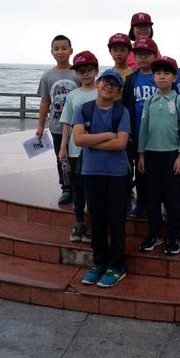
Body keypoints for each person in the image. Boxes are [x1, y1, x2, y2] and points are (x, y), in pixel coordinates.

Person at [73, 69, 131, 288]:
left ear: (118, 91)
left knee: (116, 221)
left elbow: (121, 144)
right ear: (97, 83)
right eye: (106, 82)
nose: (109, 86)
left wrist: (91, 140)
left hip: (116, 174)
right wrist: (107, 135)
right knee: (96, 221)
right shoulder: (83, 109)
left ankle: (117, 266)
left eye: (114, 85)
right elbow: (78, 140)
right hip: (91, 172)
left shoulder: (121, 112)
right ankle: (99, 262)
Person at [137, 56, 180, 255]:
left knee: (173, 199)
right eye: (158, 73)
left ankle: (174, 237)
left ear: (174, 78)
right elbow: (144, 128)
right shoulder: (150, 100)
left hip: (172, 156)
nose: (162, 77)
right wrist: (141, 153)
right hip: (151, 155)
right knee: (152, 198)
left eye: (166, 73)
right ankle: (154, 234)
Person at [59, 51, 99, 243]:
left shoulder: (102, 91)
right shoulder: (72, 95)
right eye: (81, 70)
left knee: (94, 188)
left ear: (96, 71)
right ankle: (79, 221)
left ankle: (93, 223)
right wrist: (63, 147)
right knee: (78, 188)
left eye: (89, 69)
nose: (85, 74)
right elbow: (66, 123)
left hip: (97, 150)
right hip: (76, 150)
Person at [36, 34, 78, 206]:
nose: (60, 51)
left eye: (64, 48)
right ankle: (66, 188)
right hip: (57, 126)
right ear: (51, 52)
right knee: (61, 158)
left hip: (77, 126)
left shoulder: (77, 73)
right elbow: (45, 101)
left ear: (71, 51)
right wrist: (40, 126)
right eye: (56, 48)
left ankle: (79, 187)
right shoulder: (47, 76)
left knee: (77, 157)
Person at [122, 38, 159, 218]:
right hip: (136, 133)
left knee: (155, 170)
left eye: (147, 55)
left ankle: (156, 202)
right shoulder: (131, 79)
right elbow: (126, 106)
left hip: (158, 134)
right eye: (139, 55)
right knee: (139, 169)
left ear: (154, 55)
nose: (143, 58)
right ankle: (141, 201)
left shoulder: (160, 76)